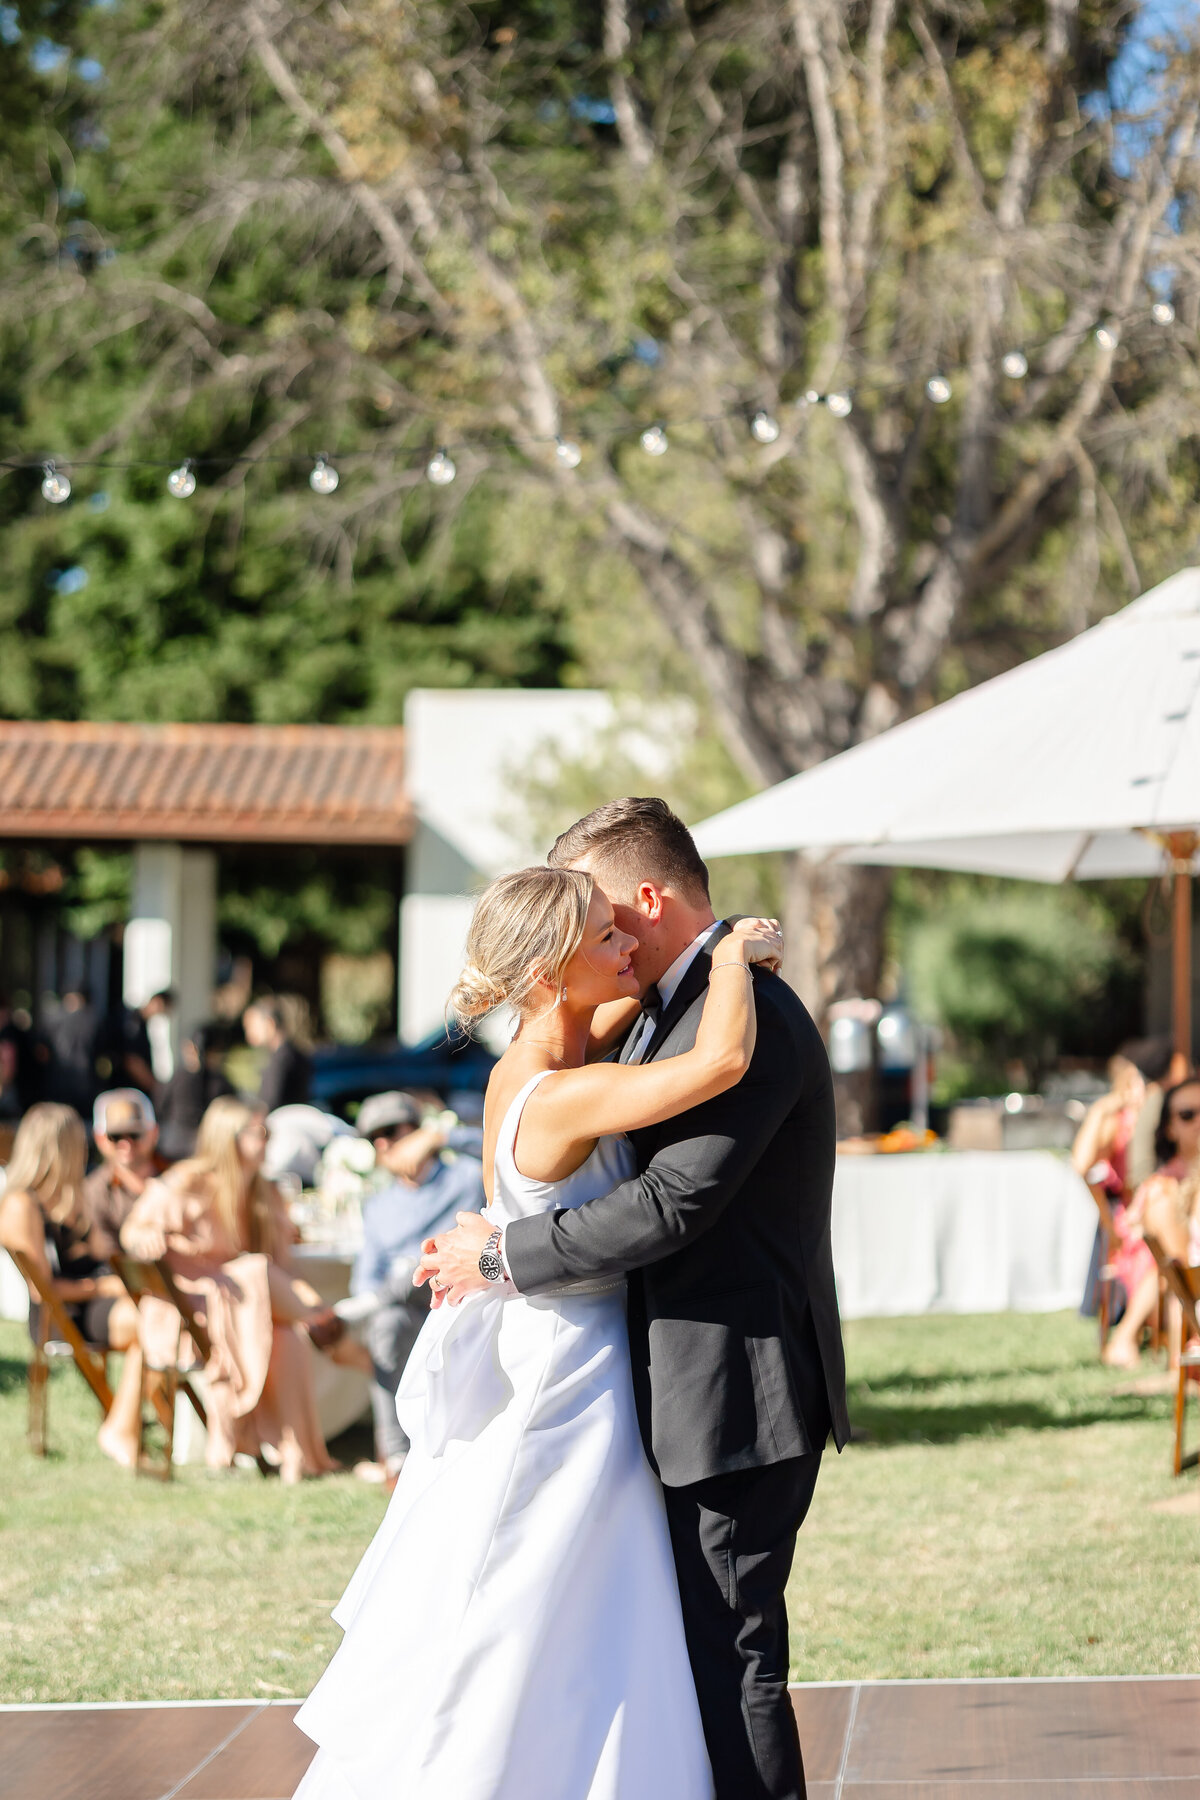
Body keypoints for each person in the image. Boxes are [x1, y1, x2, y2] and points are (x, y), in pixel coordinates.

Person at [298, 798, 846, 1800]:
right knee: (551, 1617)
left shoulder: (620, 1034)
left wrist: (504, 1250)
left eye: (610, 917)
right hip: (586, 1374)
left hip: (711, 1385)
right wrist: (732, 953)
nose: (616, 944)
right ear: (553, 971)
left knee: (676, 1644)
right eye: (594, 935)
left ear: (645, 901)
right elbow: (678, 1168)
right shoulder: (586, 1065)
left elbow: (679, 1185)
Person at [120, 1096, 345, 1482]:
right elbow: (132, 1232)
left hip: (243, 1304)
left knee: (287, 1335)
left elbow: (282, 1259)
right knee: (253, 1271)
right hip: (194, 1306)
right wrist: (146, 1238)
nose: (269, 1140)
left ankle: (299, 1457)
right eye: (260, 1132)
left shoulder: (262, 1192)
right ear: (229, 1137)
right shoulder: (188, 1182)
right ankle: (329, 1324)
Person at [350, 1091, 487, 1487]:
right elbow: (366, 1277)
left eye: (391, 1131)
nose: (383, 1144)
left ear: (416, 1130)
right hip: (407, 1305)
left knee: (419, 1271)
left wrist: (443, 1136)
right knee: (386, 1320)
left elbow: (503, 1153)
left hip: (463, 1295)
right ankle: (395, 1455)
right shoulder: (378, 1205)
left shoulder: (464, 1177)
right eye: (373, 1137)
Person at [0, 1102, 148, 1468]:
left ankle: (128, 1423)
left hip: (94, 1304)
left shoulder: (72, 1196)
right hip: (60, 1315)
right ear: (60, 1147)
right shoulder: (21, 1204)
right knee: (152, 1320)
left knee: (161, 1314)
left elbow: (102, 1253)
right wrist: (105, 1288)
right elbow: (42, 1289)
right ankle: (124, 1428)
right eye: (78, 1143)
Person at [1100, 1075, 1200, 1369]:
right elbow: (1185, 1279)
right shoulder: (1164, 1189)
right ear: (1169, 1128)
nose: (1199, 1121)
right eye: (1187, 1115)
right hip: (1150, 1271)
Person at [83, 1089, 168, 1261]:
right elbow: (109, 1259)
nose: (126, 1144)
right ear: (100, 1139)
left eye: (135, 1134)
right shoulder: (95, 1191)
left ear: (154, 1132)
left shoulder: (177, 1177)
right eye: (115, 1136)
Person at [155, 1024, 235, 1162]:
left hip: (176, 1146)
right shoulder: (221, 1082)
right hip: (201, 1147)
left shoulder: (178, 1078)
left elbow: (159, 1108)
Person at [243, 997, 311, 1113]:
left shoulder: (282, 1059)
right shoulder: (290, 1053)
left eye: (251, 1026)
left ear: (270, 1023)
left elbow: (270, 1105)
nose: (248, 1034)